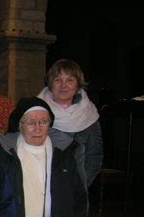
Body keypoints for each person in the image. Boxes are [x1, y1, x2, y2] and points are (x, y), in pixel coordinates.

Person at [37, 59, 103, 188]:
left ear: (78, 85)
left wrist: (78, 188)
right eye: (57, 80)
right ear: (50, 84)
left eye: (70, 80)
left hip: (75, 192)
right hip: (40, 189)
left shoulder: (89, 115)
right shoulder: (35, 111)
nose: (63, 85)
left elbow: (94, 158)